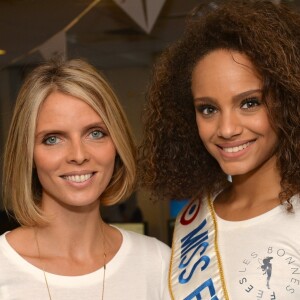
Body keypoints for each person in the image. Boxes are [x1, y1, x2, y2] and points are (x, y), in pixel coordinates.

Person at [138, 0, 300, 299]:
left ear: (289, 101)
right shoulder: (194, 216)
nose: (226, 129)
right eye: (208, 109)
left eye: (249, 103)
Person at [0, 58, 171, 299]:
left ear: (117, 144)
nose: (78, 155)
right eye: (53, 139)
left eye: (95, 133)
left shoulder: (157, 263)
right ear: (27, 154)